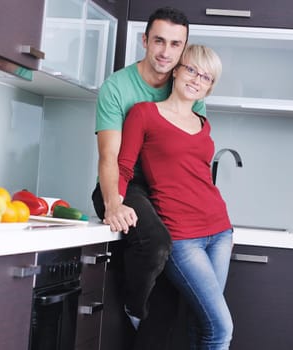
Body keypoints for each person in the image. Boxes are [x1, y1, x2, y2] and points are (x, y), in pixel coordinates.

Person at [92, 6, 205, 348]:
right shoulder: (118, 87)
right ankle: (133, 307)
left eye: (175, 44)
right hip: (126, 182)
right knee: (156, 243)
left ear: (183, 49)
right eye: (158, 41)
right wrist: (114, 202)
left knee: (177, 276)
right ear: (145, 40)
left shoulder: (188, 86)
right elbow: (109, 156)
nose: (165, 52)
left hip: (165, 186)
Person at [117, 44, 233, 349]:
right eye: (191, 69)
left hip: (220, 230)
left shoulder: (203, 124)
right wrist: (115, 203)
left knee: (203, 323)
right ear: (177, 70)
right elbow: (124, 167)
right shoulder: (144, 114)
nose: (196, 79)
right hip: (183, 237)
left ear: (209, 88)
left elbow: (197, 175)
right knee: (221, 328)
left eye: (206, 77)